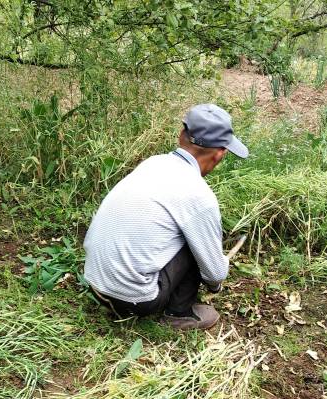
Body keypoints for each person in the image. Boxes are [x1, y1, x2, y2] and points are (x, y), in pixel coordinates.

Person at [83, 103, 248, 330]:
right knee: (196, 244)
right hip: (134, 299)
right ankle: (178, 314)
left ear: (182, 136)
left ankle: (127, 292)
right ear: (220, 154)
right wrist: (215, 282)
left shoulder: (153, 163)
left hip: (94, 281)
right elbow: (215, 273)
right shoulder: (199, 195)